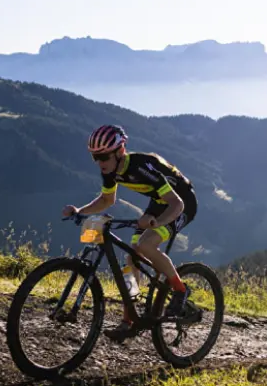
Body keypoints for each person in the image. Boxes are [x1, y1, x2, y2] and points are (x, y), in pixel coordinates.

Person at [62, 124, 198, 342]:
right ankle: (129, 321)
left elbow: (177, 204)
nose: (100, 163)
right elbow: (107, 200)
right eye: (95, 157)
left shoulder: (141, 167)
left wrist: (156, 222)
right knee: (131, 257)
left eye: (104, 156)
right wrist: (80, 211)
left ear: (120, 151)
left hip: (180, 203)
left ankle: (180, 290)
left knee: (146, 245)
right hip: (159, 202)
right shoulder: (111, 170)